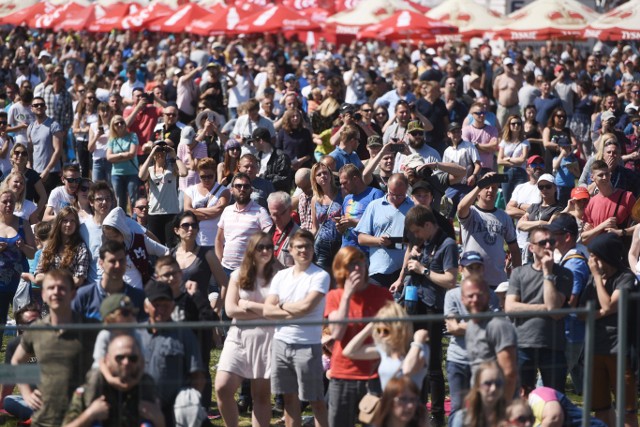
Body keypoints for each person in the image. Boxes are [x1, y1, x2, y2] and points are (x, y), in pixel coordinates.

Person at [263, 229, 330, 427]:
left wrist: (281, 307)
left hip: (307, 344)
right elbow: (267, 310)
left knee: (315, 400)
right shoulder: (280, 276)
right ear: (290, 249)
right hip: (281, 343)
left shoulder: (320, 276)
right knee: (289, 399)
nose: (304, 250)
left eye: (308, 246)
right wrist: (294, 310)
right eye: (299, 246)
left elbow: (306, 307)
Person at [11, 270, 96, 427]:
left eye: (62, 288)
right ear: (43, 294)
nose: (56, 292)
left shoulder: (91, 328)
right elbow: (16, 360)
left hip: (83, 417)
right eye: (51, 288)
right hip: (44, 418)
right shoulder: (36, 330)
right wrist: (26, 393)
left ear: (73, 294)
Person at [323, 246, 393, 426]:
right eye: (351, 265)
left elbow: (389, 339)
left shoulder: (383, 295)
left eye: (360, 263)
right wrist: (347, 296)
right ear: (341, 269)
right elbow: (337, 334)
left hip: (374, 377)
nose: (357, 269)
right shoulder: (334, 296)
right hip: (342, 374)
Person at [215, 232, 279, 427]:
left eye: (269, 246)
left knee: (260, 396)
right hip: (239, 337)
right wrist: (264, 311)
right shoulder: (238, 274)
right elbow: (231, 309)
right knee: (222, 388)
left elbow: (277, 311)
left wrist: (248, 305)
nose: (266, 251)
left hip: (266, 339)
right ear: (252, 249)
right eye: (261, 247)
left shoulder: (278, 275)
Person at [579, 232, 639, 427]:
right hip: (595, 349)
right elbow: (581, 313)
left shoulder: (625, 278)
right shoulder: (592, 279)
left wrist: (596, 278)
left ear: (606, 255)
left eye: (594, 255)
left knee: (627, 411)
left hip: (619, 351)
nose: (591, 260)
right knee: (601, 409)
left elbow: (610, 306)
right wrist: (599, 311)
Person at [505, 225, 573, 394]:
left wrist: (548, 272)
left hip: (553, 346)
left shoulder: (565, 274)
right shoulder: (519, 273)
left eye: (551, 241)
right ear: (531, 247)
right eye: (543, 242)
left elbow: (554, 307)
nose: (548, 246)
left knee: (553, 399)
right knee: (521, 399)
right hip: (523, 344)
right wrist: (545, 308)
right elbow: (510, 307)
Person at [139, 280, 206, 426]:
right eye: (156, 304)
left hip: (175, 409)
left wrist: (185, 405)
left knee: (189, 404)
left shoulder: (185, 334)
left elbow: (198, 377)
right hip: (139, 406)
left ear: (173, 306)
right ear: (145, 306)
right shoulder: (136, 334)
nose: (161, 309)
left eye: (165, 304)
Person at [62, 335, 165, 427]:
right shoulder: (90, 391)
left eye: (132, 358)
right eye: (120, 358)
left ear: (140, 361)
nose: (126, 362)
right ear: (107, 360)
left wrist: (160, 421)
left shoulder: (147, 390)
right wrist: (89, 415)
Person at [458, 170, 521, 288]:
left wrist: (517, 279)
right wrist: (480, 184)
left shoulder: (504, 216)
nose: (491, 190)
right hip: (471, 281)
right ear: (478, 191)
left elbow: (515, 250)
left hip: (497, 282)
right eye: (487, 187)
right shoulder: (471, 212)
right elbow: (461, 208)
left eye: (494, 187)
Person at [548, 214, 589, 395]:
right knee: (584, 388)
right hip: (570, 331)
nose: (550, 238)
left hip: (571, 333)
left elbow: (571, 301)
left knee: (547, 385)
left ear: (567, 237)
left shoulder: (574, 264)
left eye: (554, 233)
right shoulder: (569, 260)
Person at [461, 275, 519, 401]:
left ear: (488, 297)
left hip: (498, 402)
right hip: (479, 400)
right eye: (470, 296)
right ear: (462, 299)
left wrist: (502, 409)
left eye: (479, 295)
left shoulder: (499, 325)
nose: (475, 300)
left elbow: (509, 373)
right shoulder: (471, 325)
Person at [356, 173, 414, 288]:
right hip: (378, 270)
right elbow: (361, 238)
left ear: (407, 190)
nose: (396, 198)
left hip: (404, 270)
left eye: (400, 195)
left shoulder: (413, 208)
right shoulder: (374, 206)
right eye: (392, 194)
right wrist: (379, 240)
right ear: (387, 187)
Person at [71, 240, 146, 322]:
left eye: (121, 260)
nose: (118, 265)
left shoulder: (138, 297)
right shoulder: (84, 296)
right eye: (112, 261)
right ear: (101, 263)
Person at [102, 207, 168, 289]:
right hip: (117, 295)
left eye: (115, 236)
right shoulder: (106, 251)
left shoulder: (139, 241)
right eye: (109, 238)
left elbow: (166, 252)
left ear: (123, 232)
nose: (112, 240)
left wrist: (161, 271)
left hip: (139, 295)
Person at [138, 141, 186, 245]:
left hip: (171, 212)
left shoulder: (172, 167)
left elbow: (184, 172)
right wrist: (151, 154)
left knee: (172, 245)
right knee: (157, 245)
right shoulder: (150, 169)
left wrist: (174, 155)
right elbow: (141, 176)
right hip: (154, 213)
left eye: (162, 151)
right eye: (157, 151)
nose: (160, 153)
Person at [0, 190, 35, 326]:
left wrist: (23, 247)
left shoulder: (23, 223)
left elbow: (32, 253)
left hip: (20, 282)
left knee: (25, 321)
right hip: (1, 284)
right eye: (4, 202)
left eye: (11, 202)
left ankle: (24, 347)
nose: (8, 205)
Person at [33, 206, 89, 289]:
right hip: (50, 296)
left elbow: (78, 280)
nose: (68, 224)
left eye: (72, 221)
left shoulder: (80, 248)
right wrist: (66, 278)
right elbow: (38, 277)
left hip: (70, 297)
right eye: (65, 221)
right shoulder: (49, 246)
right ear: (59, 223)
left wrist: (50, 278)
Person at [582, 160, 636, 243]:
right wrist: (601, 226)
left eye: (607, 174)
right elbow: (584, 239)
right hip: (598, 252)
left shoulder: (627, 197)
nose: (605, 177)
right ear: (592, 178)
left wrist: (621, 232)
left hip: (620, 251)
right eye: (600, 175)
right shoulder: (590, 203)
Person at [184, 157, 230, 246]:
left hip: (216, 242)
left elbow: (218, 210)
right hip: (196, 241)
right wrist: (210, 213)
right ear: (198, 175)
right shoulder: (190, 190)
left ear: (215, 174)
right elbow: (187, 212)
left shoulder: (224, 191)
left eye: (210, 176)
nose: (206, 179)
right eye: (203, 177)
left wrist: (196, 211)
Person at [449, 361, 508, 427]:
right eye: (488, 383)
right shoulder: (462, 419)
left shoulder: (511, 417)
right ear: (477, 386)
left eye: (498, 383)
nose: (493, 388)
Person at [310, 161, 343, 272]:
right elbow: (315, 227)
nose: (323, 176)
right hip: (322, 244)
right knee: (322, 276)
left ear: (330, 175)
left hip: (341, 242)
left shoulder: (342, 194)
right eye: (319, 174)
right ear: (314, 179)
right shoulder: (315, 199)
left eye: (325, 173)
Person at [27, 96, 64, 193]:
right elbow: (30, 150)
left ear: (45, 107)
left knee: (50, 205)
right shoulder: (30, 127)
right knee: (37, 204)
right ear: (32, 108)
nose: (39, 106)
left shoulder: (53, 125)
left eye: (41, 105)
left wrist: (47, 171)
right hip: (35, 172)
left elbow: (58, 150)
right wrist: (29, 165)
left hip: (51, 173)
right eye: (36, 105)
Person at [106, 115, 140, 210]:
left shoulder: (132, 136)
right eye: (117, 123)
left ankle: (135, 220)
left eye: (122, 122)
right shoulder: (112, 139)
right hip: (117, 174)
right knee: (120, 201)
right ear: (113, 126)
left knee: (134, 199)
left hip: (132, 173)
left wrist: (116, 157)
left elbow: (132, 154)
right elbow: (108, 157)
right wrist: (123, 155)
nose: (120, 125)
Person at [497, 115, 530, 203]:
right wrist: (515, 161)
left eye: (518, 123)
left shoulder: (524, 141)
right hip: (506, 173)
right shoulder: (504, 141)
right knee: (507, 201)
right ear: (509, 125)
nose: (516, 125)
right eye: (513, 123)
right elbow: (499, 160)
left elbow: (522, 160)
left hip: (520, 173)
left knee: (520, 201)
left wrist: (507, 158)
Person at [9, 143, 47, 218]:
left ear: (27, 158)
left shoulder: (33, 175)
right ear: (11, 156)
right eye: (17, 153)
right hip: (8, 212)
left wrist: (35, 213)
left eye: (24, 153)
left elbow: (43, 196)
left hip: (26, 214)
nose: (20, 155)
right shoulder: (6, 175)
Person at [252, 126, 292, 192]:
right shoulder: (256, 157)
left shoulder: (281, 156)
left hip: (277, 194)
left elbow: (284, 178)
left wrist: (263, 177)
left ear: (261, 141)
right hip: (259, 193)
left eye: (254, 142)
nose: (253, 144)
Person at [461, 102, 499, 171]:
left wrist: (475, 145)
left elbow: (494, 147)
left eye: (484, 113)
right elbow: (467, 150)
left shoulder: (492, 129)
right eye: (478, 113)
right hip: (471, 168)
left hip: (488, 168)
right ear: (472, 115)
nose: (482, 115)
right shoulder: (466, 130)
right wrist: (488, 149)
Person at [267, 192, 299, 268]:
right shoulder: (266, 231)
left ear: (290, 210)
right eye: (273, 214)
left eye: (280, 214)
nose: (276, 218)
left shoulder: (299, 235)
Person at [88, 102, 113, 182]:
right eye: (103, 111)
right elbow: (90, 148)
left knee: (111, 188)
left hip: (110, 160)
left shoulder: (113, 125)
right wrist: (96, 136)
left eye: (107, 111)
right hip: (97, 160)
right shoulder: (93, 126)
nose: (105, 113)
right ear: (99, 112)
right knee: (96, 188)